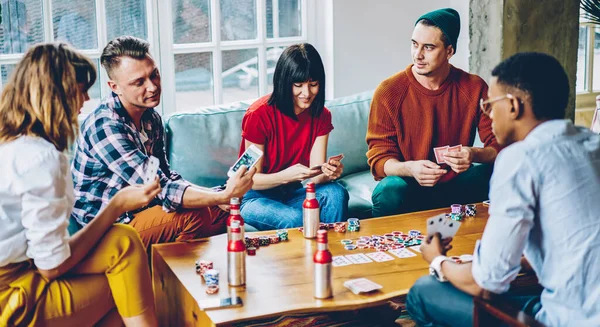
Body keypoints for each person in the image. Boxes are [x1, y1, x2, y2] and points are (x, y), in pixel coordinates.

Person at [407, 52, 600, 327]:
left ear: (513, 106)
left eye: (489, 104)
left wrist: (438, 260)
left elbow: (485, 285)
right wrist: (519, 259)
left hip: (568, 319)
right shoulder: (593, 143)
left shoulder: (521, 157)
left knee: (424, 292)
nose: (487, 114)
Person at [0, 43, 159, 326]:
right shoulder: (39, 157)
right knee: (125, 284)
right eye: (81, 89)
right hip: (12, 295)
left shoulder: (10, 142)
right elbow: (51, 267)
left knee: (122, 241)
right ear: (56, 95)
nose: (86, 98)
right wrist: (117, 205)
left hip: (24, 269)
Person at [71, 36, 255, 248]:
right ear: (115, 87)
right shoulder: (106, 128)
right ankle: (170, 278)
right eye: (138, 82)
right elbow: (161, 189)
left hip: (143, 210)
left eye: (154, 75)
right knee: (196, 214)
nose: (152, 87)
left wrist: (219, 196)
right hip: (107, 228)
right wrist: (223, 194)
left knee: (224, 210)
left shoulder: (150, 117)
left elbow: (165, 176)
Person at [366, 8, 500, 217]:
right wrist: (410, 168)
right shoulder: (388, 92)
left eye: (428, 47)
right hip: (409, 187)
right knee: (390, 188)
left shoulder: (474, 88)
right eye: (414, 44)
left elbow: (500, 146)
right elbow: (379, 161)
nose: (417, 55)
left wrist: (473, 154)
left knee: (494, 171)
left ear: (449, 51)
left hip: (456, 186)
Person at [239, 43, 349, 230]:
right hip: (255, 197)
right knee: (296, 219)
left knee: (337, 193)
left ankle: (331, 253)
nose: (306, 93)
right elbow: (250, 180)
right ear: (284, 82)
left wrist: (329, 173)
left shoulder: (321, 115)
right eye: (298, 85)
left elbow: (314, 176)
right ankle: (311, 256)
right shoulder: (258, 115)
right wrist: (285, 176)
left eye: (313, 85)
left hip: (294, 192)